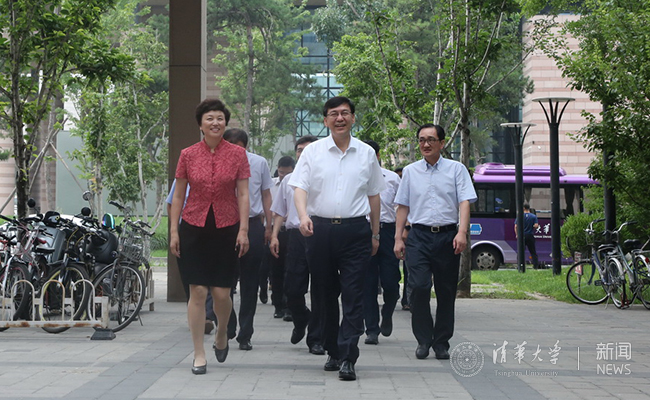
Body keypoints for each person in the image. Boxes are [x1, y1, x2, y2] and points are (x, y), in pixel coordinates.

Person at [289, 96, 385, 381]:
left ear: (353, 118)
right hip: (319, 230)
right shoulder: (313, 152)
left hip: (356, 231)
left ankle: (348, 356)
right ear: (325, 120)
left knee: (354, 293)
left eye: (345, 113)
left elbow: (374, 195)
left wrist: (375, 233)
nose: (340, 118)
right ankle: (333, 349)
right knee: (324, 294)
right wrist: (303, 216)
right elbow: (299, 187)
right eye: (334, 114)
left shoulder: (366, 153)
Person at [169, 98, 250, 375]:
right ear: (201, 125)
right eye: (210, 118)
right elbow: (178, 195)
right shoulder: (188, 154)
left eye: (220, 118)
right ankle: (198, 353)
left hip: (227, 227)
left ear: (225, 123)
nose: (215, 123)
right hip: (193, 226)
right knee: (198, 290)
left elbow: (243, 194)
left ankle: (222, 331)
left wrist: (243, 230)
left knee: (222, 293)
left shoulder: (238, 155)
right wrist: (174, 231)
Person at [393, 123, 477, 361]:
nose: (425, 144)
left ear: (442, 143)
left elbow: (464, 201)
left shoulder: (456, 169)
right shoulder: (410, 171)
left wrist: (462, 232)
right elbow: (403, 206)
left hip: (447, 236)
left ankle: (441, 342)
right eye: (421, 140)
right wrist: (398, 238)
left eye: (431, 139)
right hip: (418, 236)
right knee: (419, 287)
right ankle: (423, 339)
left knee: (446, 290)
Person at [269, 135, 325, 355]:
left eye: (307, 149)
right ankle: (301, 318)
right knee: (292, 288)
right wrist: (274, 236)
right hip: (295, 237)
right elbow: (279, 211)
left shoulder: (326, 176)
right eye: (299, 150)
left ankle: (316, 338)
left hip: (320, 234)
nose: (303, 153)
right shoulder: (288, 180)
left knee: (321, 289)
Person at [222, 128, 273, 351]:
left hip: (252, 224)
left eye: (240, 148)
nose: (235, 152)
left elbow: (266, 194)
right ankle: (229, 323)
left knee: (250, 282)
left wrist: (269, 226)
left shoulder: (259, 163)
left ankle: (246, 333)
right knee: (224, 281)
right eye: (230, 147)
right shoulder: (217, 162)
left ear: (246, 147)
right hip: (225, 226)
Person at [361, 140, 401, 346]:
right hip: (363, 231)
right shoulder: (356, 177)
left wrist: (401, 235)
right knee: (367, 283)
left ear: (377, 156)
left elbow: (402, 207)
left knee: (391, 282)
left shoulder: (392, 178)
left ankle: (387, 312)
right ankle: (371, 329)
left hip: (388, 231)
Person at [268, 155, 296, 320]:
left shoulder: (296, 182)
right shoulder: (272, 185)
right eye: (281, 172)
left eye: (287, 173)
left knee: (290, 270)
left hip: (292, 231)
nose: (283, 176)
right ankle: (278, 304)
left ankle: (288, 305)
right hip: (276, 231)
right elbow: (274, 210)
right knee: (276, 269)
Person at [515, 203, 540, 269]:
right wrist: (533, 226)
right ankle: (535, 266)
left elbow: (516, 226)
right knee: (533, 252)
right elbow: (536, 225)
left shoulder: (520, 216)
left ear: (523, 208)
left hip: (522, 235)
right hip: (530, 235)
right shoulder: (533, 216)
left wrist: (517, 234)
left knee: (521, 251)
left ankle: (520, 265)